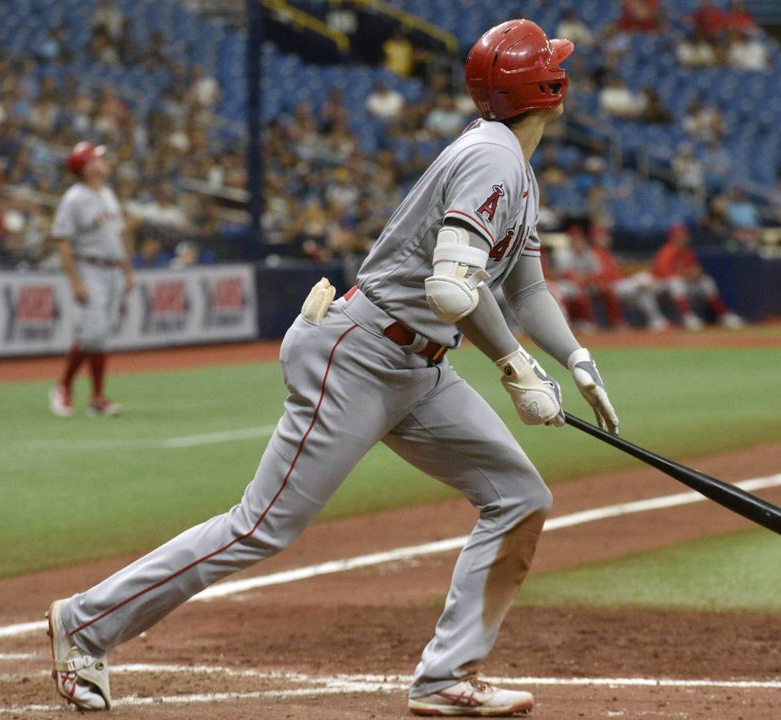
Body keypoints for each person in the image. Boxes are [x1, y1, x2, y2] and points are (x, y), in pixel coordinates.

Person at [45, 20, 620, 718]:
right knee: (261, 526)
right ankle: (86, 622)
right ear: (548, 91)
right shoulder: (492, 158)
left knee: (519, 496)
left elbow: (525, 288)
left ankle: (446, 678)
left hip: (418, 366)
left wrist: (577, 359)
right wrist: (515, 364)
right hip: (361, 354)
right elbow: (451, 289)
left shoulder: (511, 167)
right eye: (557, 69)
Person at [47, 142, 134, 418]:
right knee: (91, 333)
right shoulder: (74, 198)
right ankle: (63, 387)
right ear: (84, 167)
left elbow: (117, 237)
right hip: (90, 268)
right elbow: (62, 241)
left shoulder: (107, 193)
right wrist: (75, 281)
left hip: (112, 271)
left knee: (101, 335)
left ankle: (97, 398)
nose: (102, 161)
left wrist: (127, 270)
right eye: (96, 158)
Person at [651, 225, 743, 330]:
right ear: (673, 237)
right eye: (680, 235)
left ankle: (725, 316)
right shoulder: (667, 251)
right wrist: (686, 273)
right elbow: (665, 273)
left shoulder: (687, 251)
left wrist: (696, 273)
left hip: (683, 284)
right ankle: (688, 318)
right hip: (660, 286)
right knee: (676, 282)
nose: (684, 237)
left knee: (706, 281)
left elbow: (696, 268)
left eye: (684, 235)